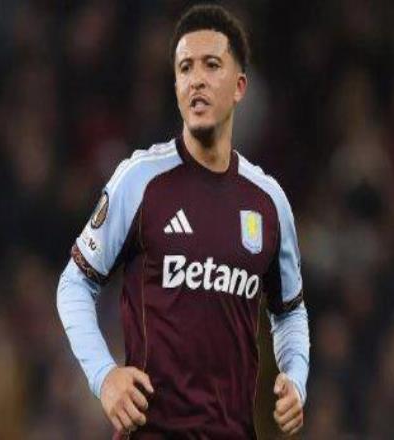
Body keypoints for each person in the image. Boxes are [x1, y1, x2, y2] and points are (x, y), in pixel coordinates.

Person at [57, 4, 309, 439]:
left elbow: (290, 311)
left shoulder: (268, 202)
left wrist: (296, 377)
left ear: (240, 86)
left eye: (212, 65)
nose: (197, 79)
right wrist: (104, 375)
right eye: (185, 68)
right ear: (176, 86)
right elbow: (74, 284)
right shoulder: (139, 181)